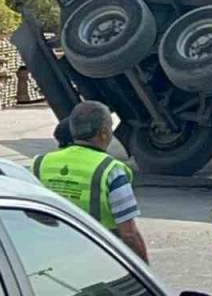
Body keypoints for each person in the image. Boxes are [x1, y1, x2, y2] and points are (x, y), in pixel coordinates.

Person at [33, 101, 148, 261]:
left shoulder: (39, 163)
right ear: (103, 133)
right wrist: (145, 270)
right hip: (95, 259)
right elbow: (129, 234)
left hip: (50, 257)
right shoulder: (112, 170)